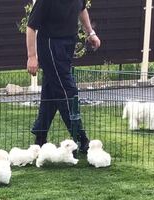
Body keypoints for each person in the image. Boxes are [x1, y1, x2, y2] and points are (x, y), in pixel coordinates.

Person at [25, 0, 100, 153]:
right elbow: (31, 27)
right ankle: (81, 139)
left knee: (52, 90)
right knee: (67, 90)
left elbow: (82, 9)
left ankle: (40, 138)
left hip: (68, 43)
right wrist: (32, 56)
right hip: (50, 45)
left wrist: (90, 33)